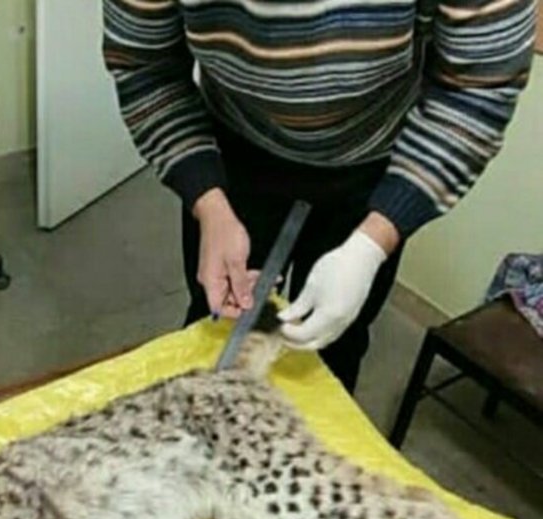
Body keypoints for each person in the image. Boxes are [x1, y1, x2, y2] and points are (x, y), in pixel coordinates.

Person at [102, 0, 536, 392]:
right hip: (233, 153)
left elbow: (479, 88)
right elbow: (144, 66)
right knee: (218, 324)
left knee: (333, 348)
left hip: (372, 165)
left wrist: (372, 243)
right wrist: (209, 204)